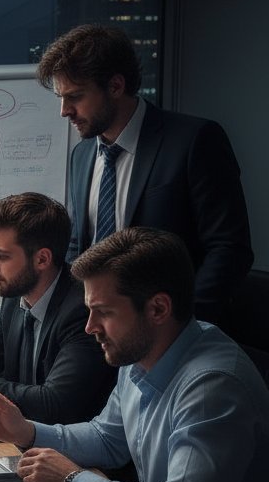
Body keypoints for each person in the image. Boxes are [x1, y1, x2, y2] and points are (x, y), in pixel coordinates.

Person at [0, 226, 269, 482]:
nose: (90, 327)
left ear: (158, 308)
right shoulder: (141, 351)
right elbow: (108, 439)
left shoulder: (211, 388)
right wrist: (27, 431)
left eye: (103, 312)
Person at [35, 24, 252, 324]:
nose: (64, 111)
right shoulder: (81, 155)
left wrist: (184, 326)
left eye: (75, 96)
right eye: (60, 97)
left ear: (115, 86)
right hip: (94, 331)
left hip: (169, 333)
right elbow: (79, 246)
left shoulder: (194, 140)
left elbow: (229, 249)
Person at [0, 193, 115, 424]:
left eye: (2, 256)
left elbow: (56, 403)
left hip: (66, 450)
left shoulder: (83, 310)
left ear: (42, 259)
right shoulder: (18, 291)